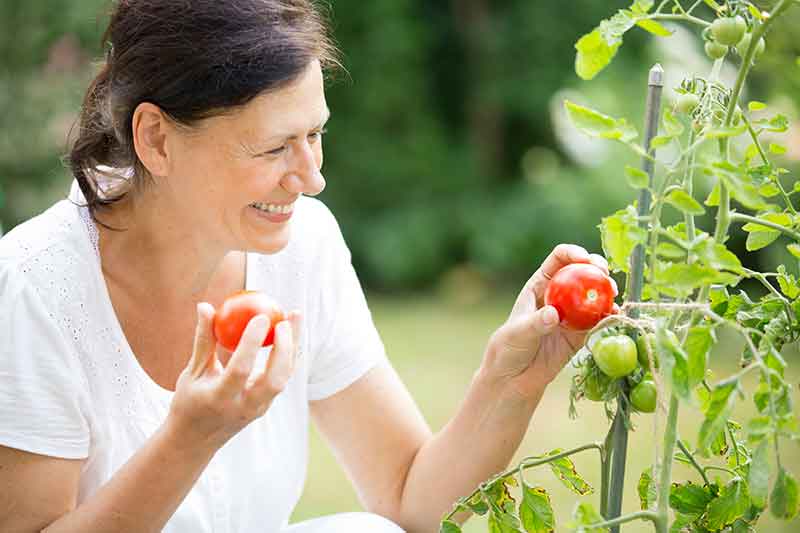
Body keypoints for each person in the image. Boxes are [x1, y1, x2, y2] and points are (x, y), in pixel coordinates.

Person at [0, 1, 616, 532]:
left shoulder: (302, 245)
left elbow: (408, 503)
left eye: (314, 135)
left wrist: (511, 380)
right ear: (157, 139)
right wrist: (188, 439)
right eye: (274, 147)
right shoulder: (38, 285)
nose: (313, 179)